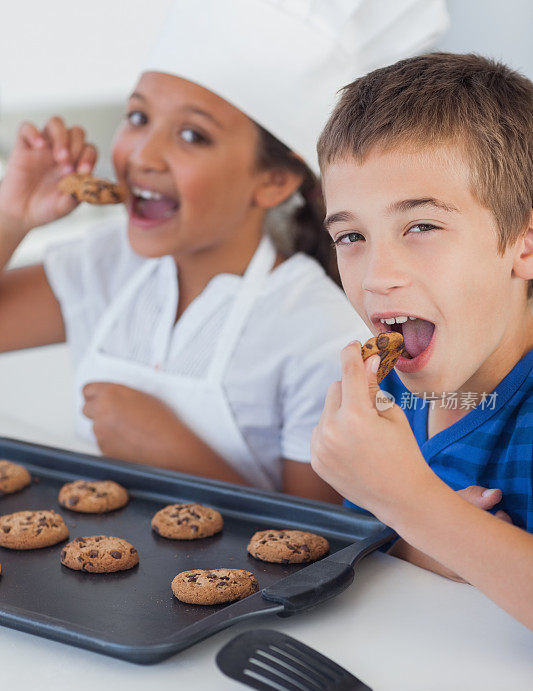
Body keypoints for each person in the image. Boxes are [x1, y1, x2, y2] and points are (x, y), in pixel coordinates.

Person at [0, 0, 447, 499]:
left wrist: (173, 454)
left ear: (274, 180)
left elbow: (315, 540)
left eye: (192, 135)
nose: (142, 155)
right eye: (138, 116)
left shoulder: (316, 332)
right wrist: (12, 215)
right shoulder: (102, 265)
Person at [311, 52, 533, 628]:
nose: (377, 274)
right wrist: (425, 542)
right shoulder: (387, 400)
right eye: (351, 235)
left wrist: (411, 502)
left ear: (525, 243)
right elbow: (365, 548)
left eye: (422, 226)